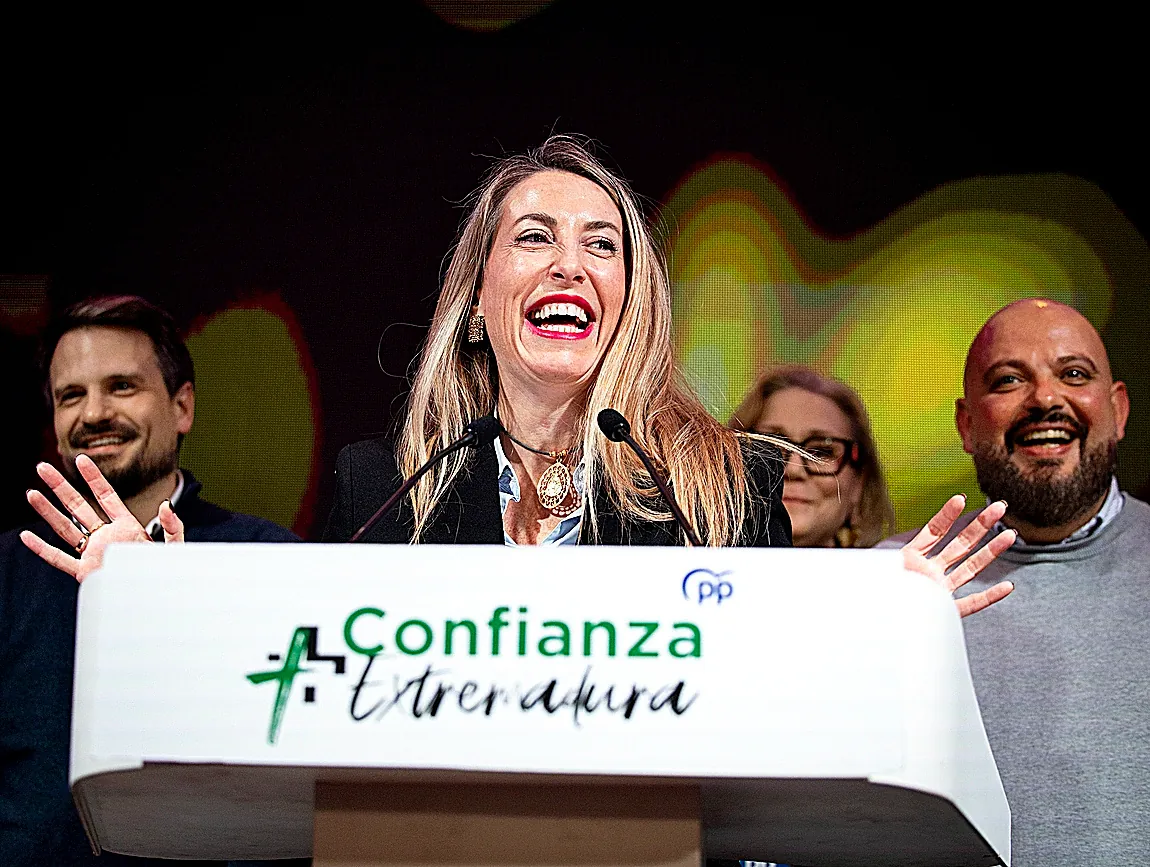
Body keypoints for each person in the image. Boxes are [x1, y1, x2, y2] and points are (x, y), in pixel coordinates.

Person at [321, 135, 1013, 617]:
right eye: (534, 236)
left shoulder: (729, 491)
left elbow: (769, 680)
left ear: (630, 303)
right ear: (476, 296)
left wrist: (879, 624)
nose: (569, 265)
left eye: (601, 245)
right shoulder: (377, 491)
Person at [0, 296, 301, 866]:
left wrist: (164, 607)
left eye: (121, 387)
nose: (94, 413)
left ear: (182, 406)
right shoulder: (9, 569)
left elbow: (291, 769)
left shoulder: (268, 560)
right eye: (71, 396)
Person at [880, 297, 1150, 864]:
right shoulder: (897, 583)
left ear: (1119, 410)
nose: (1045, 399)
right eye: (1008, 380)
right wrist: (864, 634)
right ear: (966, 424)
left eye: (1074, 374)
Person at [730, 365, 896, 548]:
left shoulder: (897, 564)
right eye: (770, 447)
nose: (794, 470)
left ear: (859, 485)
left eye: (821, 452)